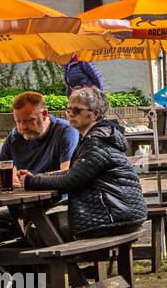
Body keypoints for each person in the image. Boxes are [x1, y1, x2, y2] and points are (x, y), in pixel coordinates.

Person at [18, 86, 147, 240]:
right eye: (68, 109)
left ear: (95, 114)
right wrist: (38, 177)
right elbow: (75, 172)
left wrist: (32, 181)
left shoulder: (97, 142)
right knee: (37, 226)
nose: (71, 114)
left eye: (77, 110)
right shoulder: (97, 137)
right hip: (121, 213)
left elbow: (72, 180)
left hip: (112, 217)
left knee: (36, 229)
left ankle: (61, 265)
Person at [0, 92, 80, 246]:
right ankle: (27, 268)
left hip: (58, 205)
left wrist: (34, 180)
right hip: (25, 207)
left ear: (44, 114)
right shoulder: (15, 136)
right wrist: (0, 178)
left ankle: (40, 267)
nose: (22, 127)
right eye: (18, 121)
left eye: (27, 121)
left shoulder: (65, 131)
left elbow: (67, 172)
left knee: (35, 230)